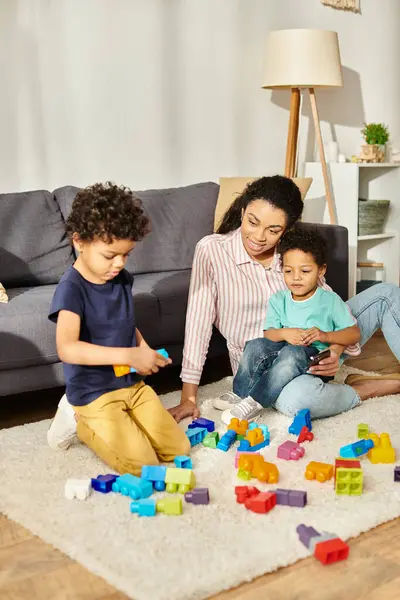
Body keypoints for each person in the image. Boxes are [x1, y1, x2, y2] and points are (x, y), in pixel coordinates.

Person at [168, 175, 400, 423]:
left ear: (287, 229)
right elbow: (197, 325)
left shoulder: (292, 252)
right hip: (264, 368)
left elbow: (329, 303)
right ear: (243, 211)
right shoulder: (212, 250)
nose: (259, 237)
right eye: (252, 222)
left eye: (273, 230)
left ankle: (334, 379)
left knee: (386, 294)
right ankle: (370, 388)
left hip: (317, 346)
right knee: (298, 401)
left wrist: (335, 349)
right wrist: (189, 398)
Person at [47, 182, 190, 475]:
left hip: (130, 384)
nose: (119, 264)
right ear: (79, 242)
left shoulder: (122, 278)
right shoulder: (71, 290)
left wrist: (143, 349)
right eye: (110, 255)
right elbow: (67, 348)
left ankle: (121, 421)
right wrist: (128, 356)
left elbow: (125, 322)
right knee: (143, 464)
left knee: (179, 449)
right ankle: (78, 420)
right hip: (93, 393)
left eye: (126, 254)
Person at [220, 227, 361, 424]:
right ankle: (241, 393)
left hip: (314, 361)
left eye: (305, 271)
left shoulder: (329, 300)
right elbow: (269, 335)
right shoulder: (279, 300)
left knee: (293, 352)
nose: (296, 277)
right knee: (255, 344)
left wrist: (325, 336)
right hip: (283, 353)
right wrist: (285, 333)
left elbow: (354, 334)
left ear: (321, 270)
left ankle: (255, 402)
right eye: (288, 271)